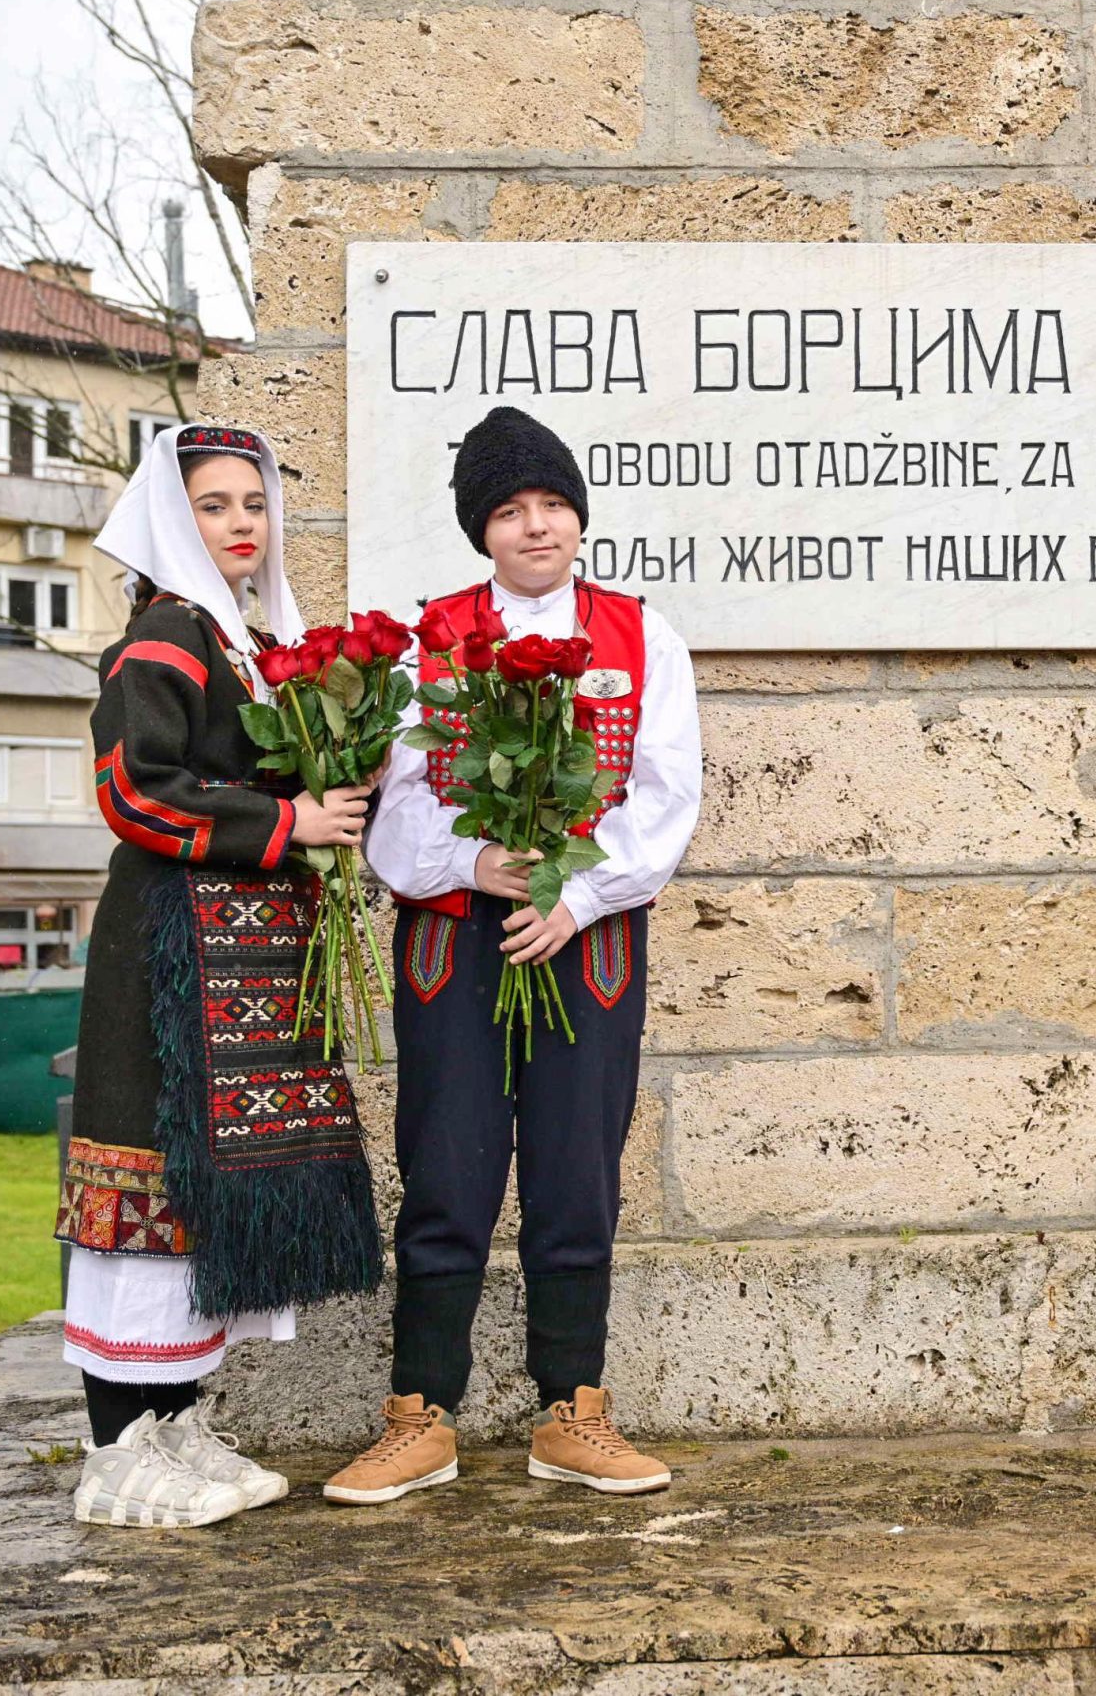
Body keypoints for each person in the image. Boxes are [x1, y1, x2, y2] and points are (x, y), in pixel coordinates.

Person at [330, 407, 701, 1505]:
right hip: (459, 933)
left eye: (552, 505)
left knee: (575, 1164)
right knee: (446, 1161)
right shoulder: (423, 640)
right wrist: (479, 865)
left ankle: (571, 1410)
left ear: (578, 518)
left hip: (585, 940)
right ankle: (420, 1414)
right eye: (508, 509)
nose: (535, 526)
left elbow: (668, 798)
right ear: (480, 529)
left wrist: (574, 896)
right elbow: (395, 812)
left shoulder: (644, 635)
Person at [60, 424, 383, 1527]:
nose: (243, 523)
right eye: (215, 505)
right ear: (169, 520)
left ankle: (173, 1421)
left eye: (254, 503)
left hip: (230, 962)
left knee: (204, 1203)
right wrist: (284, 817)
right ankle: (113, 1452)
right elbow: (133, 791)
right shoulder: (163, 638)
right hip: (169, 961)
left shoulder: (238, 642)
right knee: (150, 1181)